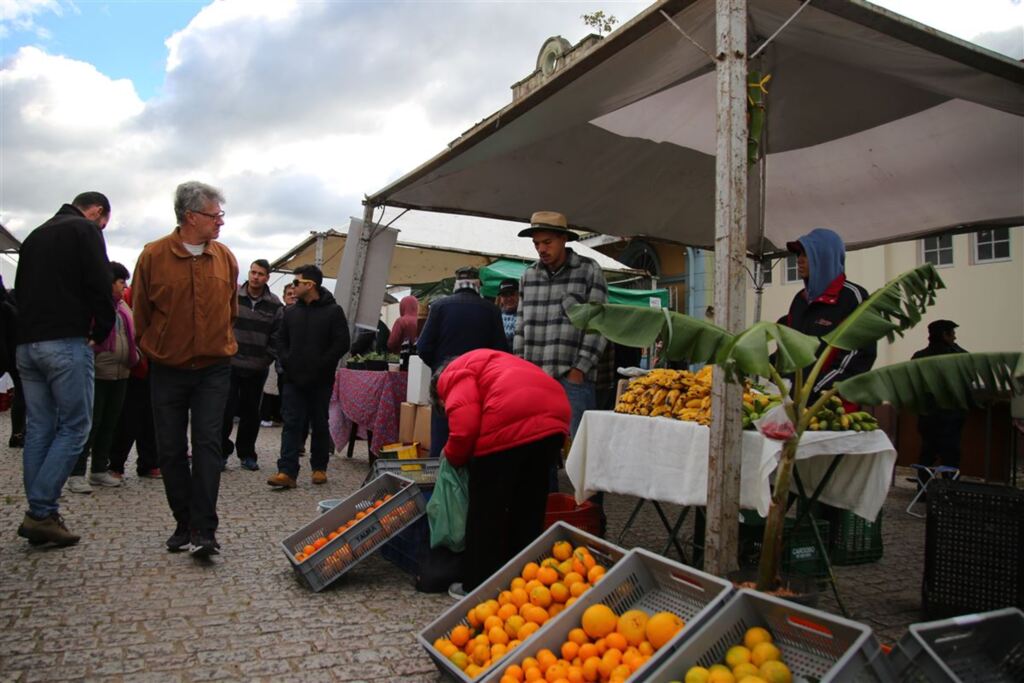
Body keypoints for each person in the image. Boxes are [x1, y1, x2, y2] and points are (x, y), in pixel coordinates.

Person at [133, 181, 238, 557]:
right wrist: (155, 348)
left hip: (214, 368)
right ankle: (183, 522)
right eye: (215, 215)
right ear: (190, 216)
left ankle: (205, 529)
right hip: (168, 368)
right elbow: (141, 313)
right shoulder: (152, 256)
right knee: (171, 448)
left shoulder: (225, 257)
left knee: (209, 444)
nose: (220, 222)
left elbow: (231, 309)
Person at [14, 192, 115, 547]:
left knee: (40, 427)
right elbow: (101, 284)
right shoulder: (84, 230)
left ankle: (42, 511)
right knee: (76, 426)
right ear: (98, 212)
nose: (102, 228)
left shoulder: (35, 236)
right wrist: (102, 329)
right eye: (104, 223)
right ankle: (40, 511)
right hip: (65, 341)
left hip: (28, 344)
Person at [431, 349, 570, 597]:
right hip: (554, 416)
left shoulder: (450, 377)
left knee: (486, 510)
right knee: (528, 507)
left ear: (439, 397)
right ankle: (522, 580)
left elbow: (464, 428)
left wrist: (452, 456)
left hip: (510, 417)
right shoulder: (487, 360)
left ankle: (477, 585)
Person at [515, 211, 608, 439]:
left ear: (563, 239)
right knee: (535, 448)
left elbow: (600, 323)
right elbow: (520, 327)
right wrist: (519, 370)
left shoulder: (589, 270)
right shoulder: (528, 276)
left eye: (547, 242)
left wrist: (579, 370)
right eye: (536, 243)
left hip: (573, 380)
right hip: (534, 381)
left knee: (579, 452)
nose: (541, 249)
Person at [268, 265, 349, 488]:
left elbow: (342, 343)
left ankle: (319, 468)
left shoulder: (333, 312)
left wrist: (323, 364)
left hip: (320, 380)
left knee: (319, 423)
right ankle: (286, 471)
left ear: (310, 285)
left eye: (296, 282)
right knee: (292, 423)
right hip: (293, 379)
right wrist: (287, 360)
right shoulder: (290, 312)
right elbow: (280, 341)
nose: (293, 287)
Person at [416, 266, 507, 458]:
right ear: (478, 284)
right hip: (481, 384)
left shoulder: (439, 306)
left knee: (442, 436)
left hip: (445, 383)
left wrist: (439, 368)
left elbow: (423, 346)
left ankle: (440, 481)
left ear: (456, 283)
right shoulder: (491, 310)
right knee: (477, 437)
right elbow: (502, 352)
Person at [67, 262, 140, 493]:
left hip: (121, 373)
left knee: (110, 423)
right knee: (91, 424)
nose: (124, 287)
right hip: (97, 373)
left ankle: (99, 469)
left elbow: (131, 336)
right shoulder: (94, 306)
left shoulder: (124, 307)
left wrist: (134, 355)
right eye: (121, 282)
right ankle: (76, 472)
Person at [782, 228, 876, 398]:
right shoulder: (800, 300)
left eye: (806, 254)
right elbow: (788, 352)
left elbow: (856, 357)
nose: (799, 260)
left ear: (825, 258)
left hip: (832, 406)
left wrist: (814, 393)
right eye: (798, 255)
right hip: (793, 405)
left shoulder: (852, 297)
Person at [221, 259, 283, 472]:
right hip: (231, 363)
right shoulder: (233, 296)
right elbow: (222, 325)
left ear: (267, 277)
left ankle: (247, 453)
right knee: (225, 411)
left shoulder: (275, 304)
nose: (255, 277)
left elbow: (278, 336)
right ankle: (221, 452)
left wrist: (267, 358)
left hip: (257, 367)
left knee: (251, 413)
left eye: (260, 274)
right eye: (253, 272)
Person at [108, 283, 160, 480]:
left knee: (152, 417)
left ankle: (150, 462)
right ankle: (116, 464)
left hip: (157, 361)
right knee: (129, 417)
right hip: (136, 363)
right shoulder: (129, 297)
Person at [912, 320, 968, 484]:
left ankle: (923, 491)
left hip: (927, 415)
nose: (955, 337)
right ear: (945, 335)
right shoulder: (958, 356)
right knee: (950, 455)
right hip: (951, 415)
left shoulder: (920, 356)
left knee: (927, 453)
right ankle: (949, 491)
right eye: (952, 333)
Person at [496, 279, 519, 349]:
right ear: (500, 298)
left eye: (512, 294)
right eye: (504, 295)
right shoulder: (495, 316)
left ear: (519, 295)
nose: (509, 298)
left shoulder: (526, 315)